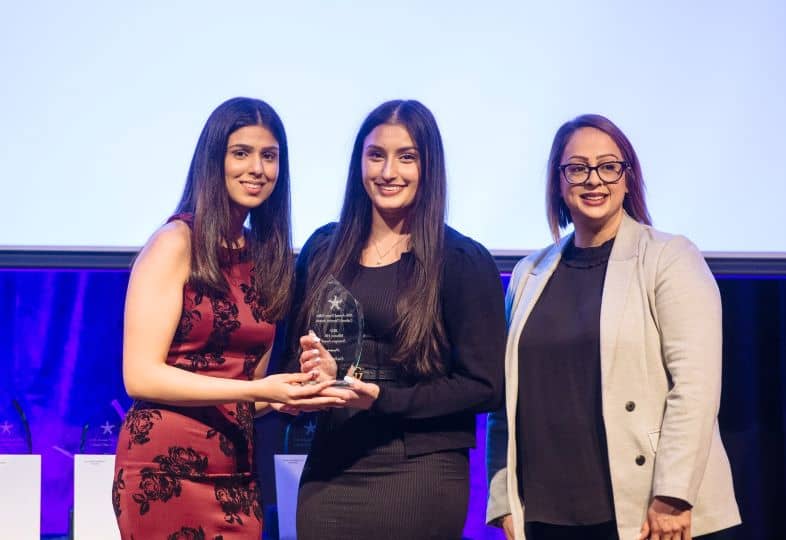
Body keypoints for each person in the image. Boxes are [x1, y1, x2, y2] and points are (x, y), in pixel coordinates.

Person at [486, 114, 741, 540]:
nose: (593, 179)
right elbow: (505, 401)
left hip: (650, 514)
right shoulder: (528, 273)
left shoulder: (670, 257)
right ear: (558, 183)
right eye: (577, 168)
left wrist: (673, 495)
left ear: (627, 178)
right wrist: (502, 499)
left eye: (608, 166)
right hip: (548, 515)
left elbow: (695, 387)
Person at [112, 97, 343, 539]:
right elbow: (140, 377)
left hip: (236, 472)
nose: (257, 168)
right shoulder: (175, 242)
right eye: (241, 153)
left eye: (269, 156)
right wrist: (258, 389)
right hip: (163, 472)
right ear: (214, 160)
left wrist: (286, 395)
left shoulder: (265, 257)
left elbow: (244, 389)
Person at [285, 99, 507, 539]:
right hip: (329, 468)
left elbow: (484, 386)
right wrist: (305, 382)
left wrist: (380, 399)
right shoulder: (323, 250)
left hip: (420, 471)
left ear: (429, 167)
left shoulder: (460, 259)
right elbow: (292, 360)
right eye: (376, 155)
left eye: (406, 157)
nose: (389, 172)